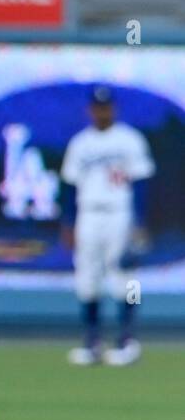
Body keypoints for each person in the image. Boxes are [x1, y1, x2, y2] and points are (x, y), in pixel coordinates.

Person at [60, 87, 155, 367]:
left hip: (120, 212)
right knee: (87, 277)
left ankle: (127, 342)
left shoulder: (129, 139)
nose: (102, 112)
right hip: (88, 212)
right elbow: (70, 184)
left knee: (124, 277)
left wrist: (139, 221)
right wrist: (68, 222)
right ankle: (92, 343)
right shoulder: (80, 143)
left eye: (107, 107)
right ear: (90, 110)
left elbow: (141, 182)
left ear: (114, 109)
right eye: (97, 107)